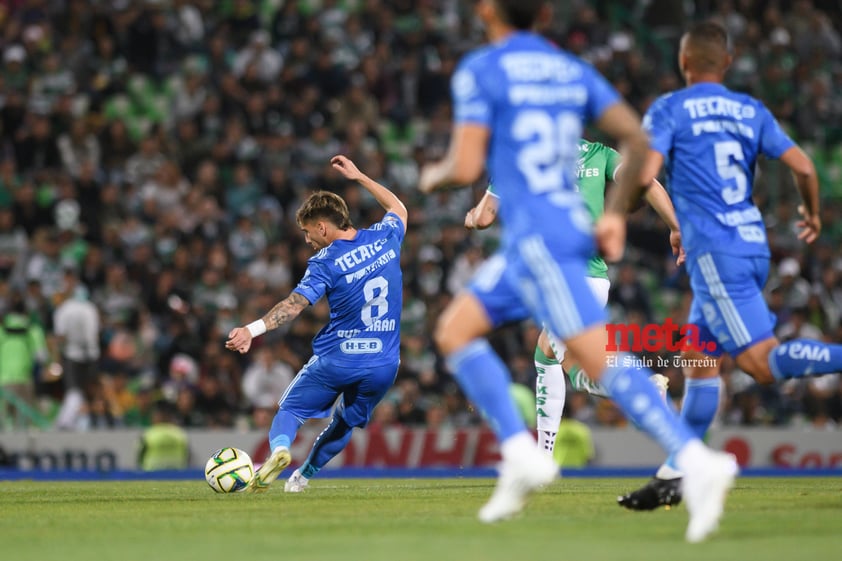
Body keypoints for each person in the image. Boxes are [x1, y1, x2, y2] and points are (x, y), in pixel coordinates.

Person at [419, 0, 736, 543]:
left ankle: (552, 456)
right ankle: (537, 456)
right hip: (548, 244)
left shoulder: (482, 71)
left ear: (487, 11)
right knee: (476, 334)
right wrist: (633, 218)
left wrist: (433, 178)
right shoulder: (572, 72)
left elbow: (466, 171)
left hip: (548, 247)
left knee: (556, 354)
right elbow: (641, 143)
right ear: (542, 15)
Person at [610, 21, 840, 511]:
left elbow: (645, 173)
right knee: (699, 361)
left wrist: (622, 207)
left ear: (684, 62)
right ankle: (675, 474)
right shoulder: (749, 109)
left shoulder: (670, 109)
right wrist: (812, 213)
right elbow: (802, 166)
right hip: (752, 243)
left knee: (760, 364)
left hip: (717, 253)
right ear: (728, 63)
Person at [465, 139, 681, 456]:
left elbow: (484, 218)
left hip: (560, 279)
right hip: (594, 279)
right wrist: (674, 227)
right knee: (549, 355)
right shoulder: (599, 154)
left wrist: (471, 215)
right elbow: (645, 180)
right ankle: (544, 455)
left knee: (567, 364)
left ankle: (642, 389)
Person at [226, 155, 407, 493]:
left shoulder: (325, 261)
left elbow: (294, 306)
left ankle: (279, 451)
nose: (308, 241)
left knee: (291, 409)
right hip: (384, 362)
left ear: (322, 228)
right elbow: (398, 206)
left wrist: (251, 329)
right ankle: (302, 478)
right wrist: (360, 177)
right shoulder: (385, 237)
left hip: (339, 358)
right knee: (344, 422)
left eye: (309, 233)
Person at [137, 400, 190, 471]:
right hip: (176, 474)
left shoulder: (148, 434)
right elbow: (187, 456)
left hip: (151, 474)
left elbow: (139, 456)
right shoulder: (180, 434)